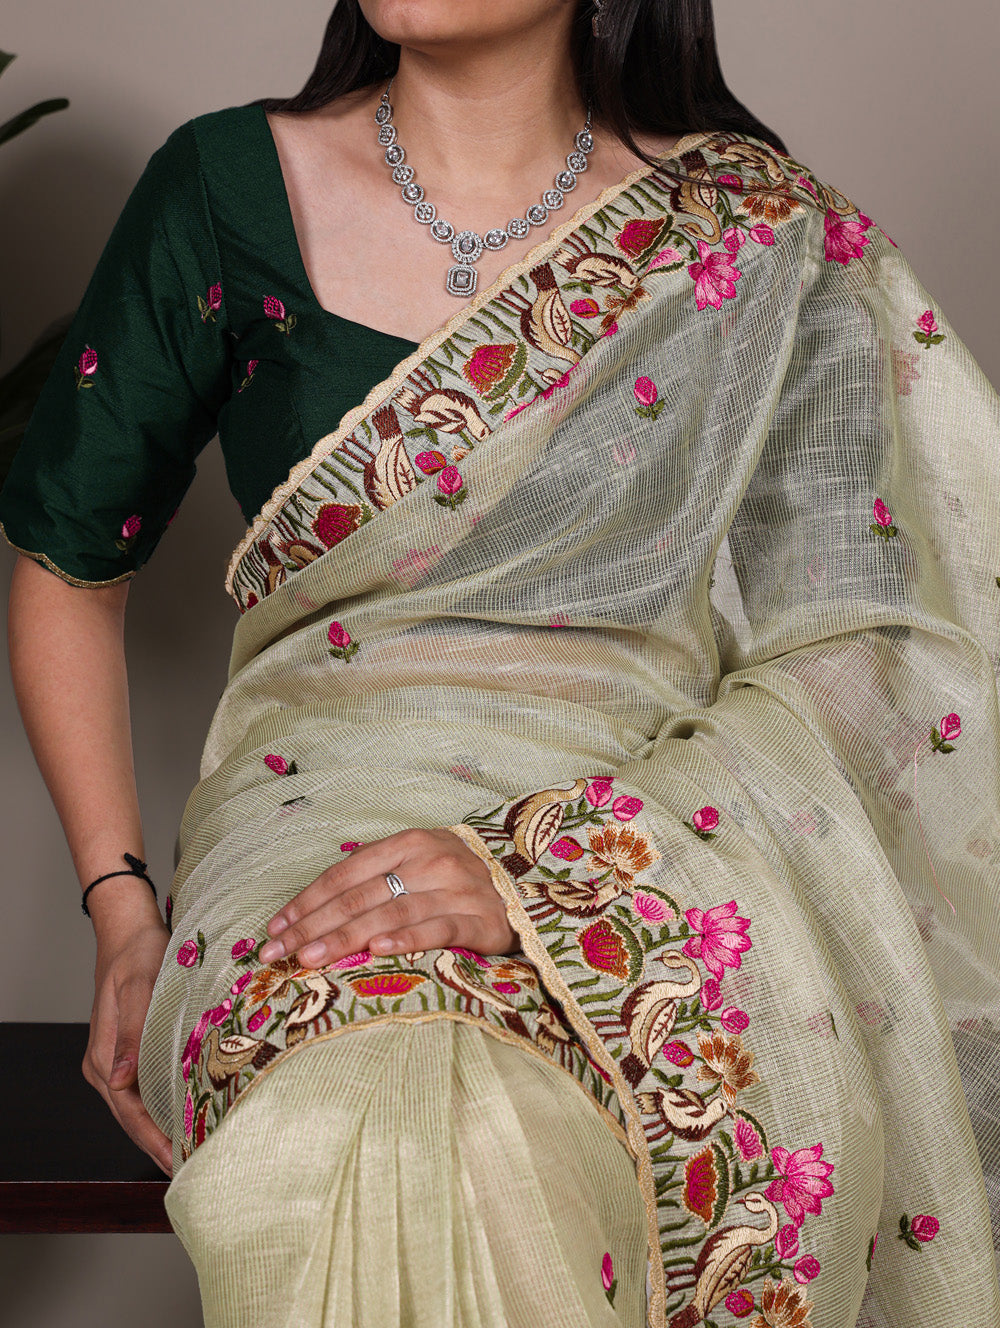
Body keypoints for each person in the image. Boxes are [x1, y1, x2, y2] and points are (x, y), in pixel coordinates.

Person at [3, 1, 999, 1324]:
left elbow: (860, 652)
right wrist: (123, 906)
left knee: (519, 1133)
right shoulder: (227, 187)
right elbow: (69, 556)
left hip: (641, 841)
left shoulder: (752, 237)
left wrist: (555, 870)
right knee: (373, 1105)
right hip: (307, 843)